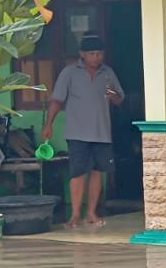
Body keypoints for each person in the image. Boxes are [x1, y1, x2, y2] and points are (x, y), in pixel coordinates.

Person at [43, 33, 125, 228]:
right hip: (77, 132)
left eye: (99, 54)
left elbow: (120, 99)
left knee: (98, 172)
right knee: (78, 173)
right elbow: (57, 100)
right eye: (92, 54)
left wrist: (113, 95)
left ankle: (91, 213)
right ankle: (75, 215)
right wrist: (48, 124)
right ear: (82, 54)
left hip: (102, 132)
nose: (96, 57)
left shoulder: (107, 73)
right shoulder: (69, 73)